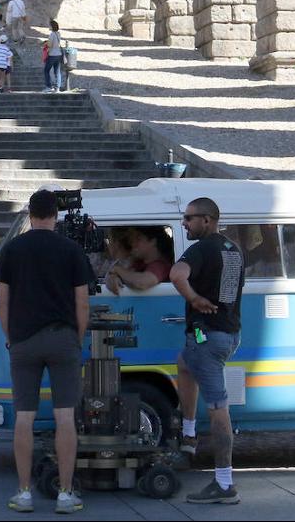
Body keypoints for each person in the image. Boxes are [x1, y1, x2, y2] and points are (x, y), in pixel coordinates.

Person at [0, 189, 92, 515]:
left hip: (24, 339)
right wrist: (75, 339)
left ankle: (23, 493)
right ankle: (65, 493)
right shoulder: (72, 249)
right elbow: (82, 303)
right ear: (56, 215)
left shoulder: (12, 249)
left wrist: (11, 337)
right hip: (62, 337)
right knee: (65, 417)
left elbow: (3, 301)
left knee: (24, 417)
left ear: (31, 213)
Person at [170, 197, 245, 505]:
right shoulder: (233, 250)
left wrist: (194, 298)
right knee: (184, 363)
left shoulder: (201, 248)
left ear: (208, 220)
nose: (184, 223)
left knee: (218, 407)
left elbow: (176, 275)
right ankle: (188, 437)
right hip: (228, 332)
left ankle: (224, 483)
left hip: (208, 337)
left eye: (189, 218)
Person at [106, 226, 175, 295]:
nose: (133, 243)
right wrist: (113, 276)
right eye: (132, 239)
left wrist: (118, 270)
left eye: (138, 239)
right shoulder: (139, 262)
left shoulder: (161, 265)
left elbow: (142, 283)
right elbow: (125, 275)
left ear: (153, 241)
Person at [43, 20, 65, 94]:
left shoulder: (52, 34)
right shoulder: (58, 34)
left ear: (52, 26)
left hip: (52, 55)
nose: (49, 26)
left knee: (46, 70)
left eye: (49, 25)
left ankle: (48, 87)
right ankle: (57, 88)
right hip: (59, 54)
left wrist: (46, 43)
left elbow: (50, 45)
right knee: (57, 71)